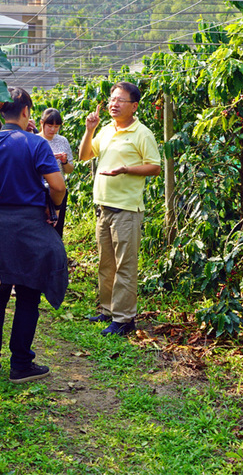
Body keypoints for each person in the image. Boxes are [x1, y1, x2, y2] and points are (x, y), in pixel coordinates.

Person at [0, 87, 68, 384]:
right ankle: (20, 364)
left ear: (1, 112)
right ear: (27, 111)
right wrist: (51, 208)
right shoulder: (36, 145)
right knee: (28, 296)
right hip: (28, 227)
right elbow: (58, 186)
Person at [77, 81, 161, 336]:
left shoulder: (142, 133)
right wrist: (89, 130)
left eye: (120, 100)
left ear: (134, 106)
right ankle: (107, 311)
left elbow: (155, 167)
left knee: (125, 265)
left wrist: (126, 169)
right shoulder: (105, 130)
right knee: (106, 264)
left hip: (126, 209)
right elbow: (83, 156)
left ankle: (125, 319)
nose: (113, 103)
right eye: (112, 99)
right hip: (103, 207)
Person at [39, 108, 74, 237]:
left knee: (57, 228)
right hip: (39, 190)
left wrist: (64, 161)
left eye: (56, 126)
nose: (53, 129)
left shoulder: (62, 141)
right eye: (50, 126)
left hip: (58, 190)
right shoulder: (35, 140)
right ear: (41, 123)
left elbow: (70, 169)